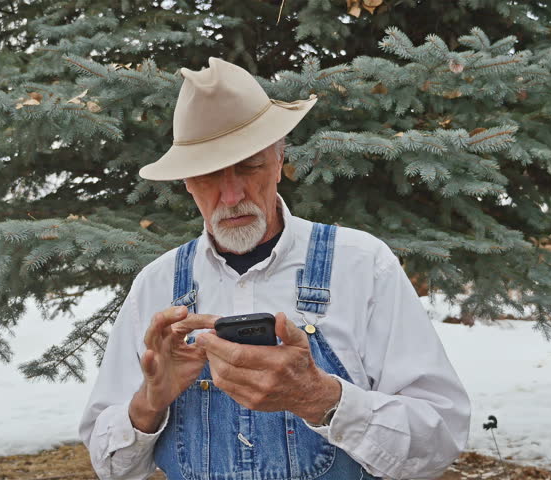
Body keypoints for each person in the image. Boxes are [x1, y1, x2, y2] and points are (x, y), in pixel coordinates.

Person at [79, 57, 470, 480]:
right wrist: (150, 401)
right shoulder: (156, 284)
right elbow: (111, 466)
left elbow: (440, 438)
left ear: (280, 158)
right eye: (209, 175)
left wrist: (321, 397)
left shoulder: (361, 264)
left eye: (249, 166)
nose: (231, 196)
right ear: (187, 181)